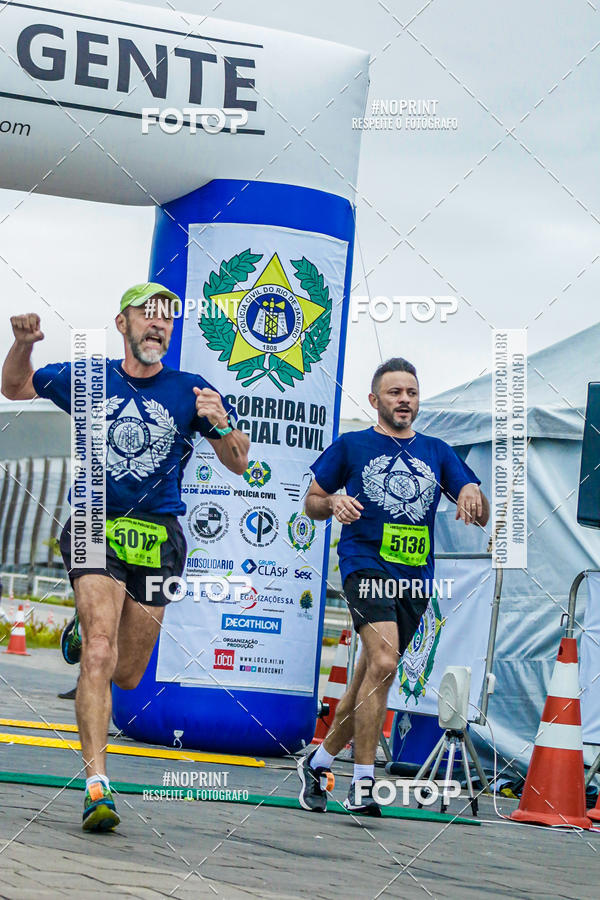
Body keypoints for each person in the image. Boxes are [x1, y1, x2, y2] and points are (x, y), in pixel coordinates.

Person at [1, 283, 249, 832]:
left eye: (167, 318)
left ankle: (81, 630)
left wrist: (225, 423)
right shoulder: (89, 380)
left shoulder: (191, 390)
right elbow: (14, 387)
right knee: (100, 651)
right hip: (96, 520)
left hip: (160, 537)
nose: (158, 325)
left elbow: (237, 463)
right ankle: (96, 785)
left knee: (129, 673)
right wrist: (23, 344)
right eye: (147, 315)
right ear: (122, 323)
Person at [297, 357, 489, 816]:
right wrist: (334, 501)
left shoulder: (437, 451)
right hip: (365, 565)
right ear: (374, 400)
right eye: (395, 393)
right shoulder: (352, 445)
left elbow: (477, 509)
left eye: (411, 393)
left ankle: (318, 763)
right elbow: (311, 503)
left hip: (414, 578)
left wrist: (472, 496)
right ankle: (363, 783)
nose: (404, 400)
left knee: (370, 676)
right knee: (384, 661)